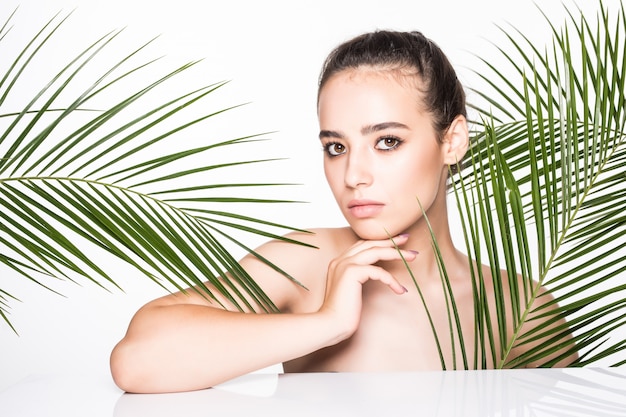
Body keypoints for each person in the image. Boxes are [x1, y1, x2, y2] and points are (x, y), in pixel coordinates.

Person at [110, 30, 578, 394]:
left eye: (387, 141)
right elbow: (137, 359)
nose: (353, 174)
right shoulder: (309, 262)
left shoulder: (521, 306)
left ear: (451, 141)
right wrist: (327, 323)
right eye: (336, 147)